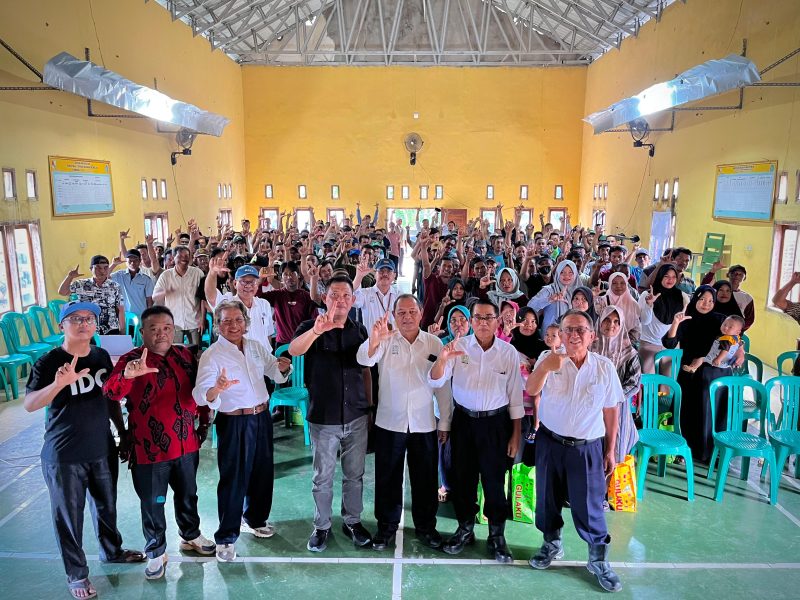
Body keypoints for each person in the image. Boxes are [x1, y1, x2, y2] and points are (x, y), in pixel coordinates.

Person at [24, 301, 144, 599]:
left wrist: (122, 432)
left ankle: (111, 551)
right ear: (61, 325)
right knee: (69, 518)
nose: (84, 323)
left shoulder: (100, 355)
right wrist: (58, 384)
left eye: (89, 318)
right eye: (75, 318)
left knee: (107, 507)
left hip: (102, 447)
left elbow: (110, 397)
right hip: (65, 455)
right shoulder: (49, 362)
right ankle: (77, 575)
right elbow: (30, 404)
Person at [103, 306, 215, 579]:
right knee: (153, 502)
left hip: (186, 443)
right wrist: (127, 376)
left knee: (188, 494)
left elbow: (199, 392)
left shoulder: (184, 355)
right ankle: (156, 549)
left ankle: (190, 534)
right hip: (149, 449)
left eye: (166, 328)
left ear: (173, 329)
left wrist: (203, 423)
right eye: (153, 329)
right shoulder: (131, 360)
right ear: (142, 332)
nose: (161, 333)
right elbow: (110, 393)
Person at [526, 309, 623, 593]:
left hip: (587, 448)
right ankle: (551, 545)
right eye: (568, 329)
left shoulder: (604, 367)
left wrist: (610, 449)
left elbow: (611, 410)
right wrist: (545, 367)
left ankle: (598, 559)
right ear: (560, 334)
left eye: (580, 329)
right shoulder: (548, 359)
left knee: (589, 505)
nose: (574, 335)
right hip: (550, 442)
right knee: (547, 499)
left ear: (592, 336)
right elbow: (531, 389)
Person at [193, 300, 292, 562]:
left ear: (246, 323)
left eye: (238, 320)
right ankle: (226, 536)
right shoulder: (212, 355)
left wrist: (283, 367)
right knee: (234, 478)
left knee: (262, 472)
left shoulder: (255, 346)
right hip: (234, 421)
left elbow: (274, 371)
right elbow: (200, 395)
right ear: (218, 325)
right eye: (226, 321)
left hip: (262, 418)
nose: (233, 325)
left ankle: (255, 519)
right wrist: (217, 389)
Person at [428, 299, 523, 564]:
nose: (483, 323)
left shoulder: (508, 353)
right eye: (478, 318)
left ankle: (497, 535)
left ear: (497, 321)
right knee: (463, 479)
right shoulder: (458, 348)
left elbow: (515, 397)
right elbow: (435, 379)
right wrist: (442, 359)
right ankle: (465, 528)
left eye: (488, 317)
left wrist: (516, 434)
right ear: (471, 322)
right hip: (464, 422)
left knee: (494, 481)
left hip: (496, 425)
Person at [356, 295, 451, 550]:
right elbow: (364, 359)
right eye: (401, 313)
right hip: (390, 422)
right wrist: (374, 339)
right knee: (387, 477)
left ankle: (426, 527)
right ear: (394, 315)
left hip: (424, 423)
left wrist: (444, 421)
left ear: (421, 313)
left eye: (412, 312)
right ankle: (386, 526)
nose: (407, 317)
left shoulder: (433, 343)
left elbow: (442, 386)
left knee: (425, 478)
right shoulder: (386, 339)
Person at [289, 275, 373, 553]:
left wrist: (369, 407)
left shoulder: (359, 330)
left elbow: (366, 371)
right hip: (324, 417)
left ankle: (352, 521)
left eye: (346, 295)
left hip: (356, 415)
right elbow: (294, 350)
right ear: (325, 298)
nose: (340, 300)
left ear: (353, 300)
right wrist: (316, 332)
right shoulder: (309, 326)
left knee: (354, 474)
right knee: (322, 477)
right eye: (334, 295)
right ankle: (322, 526)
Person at [662, 286, 741, 462]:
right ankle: (684, 450)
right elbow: (669, 343)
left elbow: (736, 336)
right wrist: (676, 323)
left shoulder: (720, 320)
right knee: (689, 412)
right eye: (702, 299)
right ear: (695, 298)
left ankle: (710, 452)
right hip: (690, 372)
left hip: (713, 374)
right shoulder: (686, 318)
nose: (706, 304)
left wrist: (741, 352)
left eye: (711, 301)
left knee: (711, 413)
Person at [592, 306, 641, 465]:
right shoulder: (589, 348)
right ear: (600, 322)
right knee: (593, 451)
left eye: (616, 321)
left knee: (614, 453)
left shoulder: (629, 353)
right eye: (606, 319)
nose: (611, 325)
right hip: (591, 406)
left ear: (621, 325)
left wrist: (613, 397)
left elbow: (634, 383)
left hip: (618, 407)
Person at [205, 257, 275, 350]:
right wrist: (212, 272)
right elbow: (211, 295)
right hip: (237, 356)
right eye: (243, 281)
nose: (248, 285)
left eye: (252, 282)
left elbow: (268, 334)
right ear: (235, 284)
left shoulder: (264, 304)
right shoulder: (228, 303)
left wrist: (268, 355)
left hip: (262, 356)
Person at [637, 264, 688, 375]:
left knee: (667, 383)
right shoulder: (647, 294)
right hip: (649, 344)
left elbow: (682, 322)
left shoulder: (682, 296)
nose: (670, 280)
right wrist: (649, 305)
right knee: (649, 382)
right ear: (660, 276)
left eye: (673, 277)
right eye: (666, 276)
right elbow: (644, 321)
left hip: (670, 346)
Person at [58, 255, 125, 335]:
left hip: (111, 328)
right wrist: (70, 277)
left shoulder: (115, 286)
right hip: (87, 328)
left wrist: (123, 332)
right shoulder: (81, 284)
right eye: (98, 268)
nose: (102, 271)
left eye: (105, 268)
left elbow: (120, 310)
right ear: (91, 269)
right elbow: (62, 292)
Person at [152, 246, 205, 346]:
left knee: (195, 351)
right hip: (174, 322)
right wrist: (166, 292)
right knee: (175, 352)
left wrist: (202, 319)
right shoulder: (166, 275)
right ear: (173, 258)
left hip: (194, 321)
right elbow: (154, 297)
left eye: (186, 256)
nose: (184, 259)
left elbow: (203, 298)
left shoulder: (197, 273)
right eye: (180, 256)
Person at [259, 261, 317, 345]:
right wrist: (260, 280)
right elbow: (257, 297)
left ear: (298, 275)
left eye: (293, 273)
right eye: (285, 274)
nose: (289, 277)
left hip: (303, 343)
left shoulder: (307, 296)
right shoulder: (276, 295)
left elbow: (314, 320)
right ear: (281, 278)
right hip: (282, 343)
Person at [528, 260, 581, 330]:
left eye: (570, 272)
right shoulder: (549, 290)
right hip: (550, 333)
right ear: (557, 273)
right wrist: (549, 299)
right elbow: (530, 306)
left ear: (575, 274)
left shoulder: (580, 292)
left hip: (572, 333)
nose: (566, 276)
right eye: (562, 272)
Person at [353, 257, 401, 332]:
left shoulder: (399, 295)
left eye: (389, 271)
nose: (385, 274)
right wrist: (358, 276)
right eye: (381, 271)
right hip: (372, 338)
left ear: (394, 275)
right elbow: (353, 300)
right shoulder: (365, 293)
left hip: (395, 338)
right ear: (375, 274)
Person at [702, 263, 755, 331]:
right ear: (728, 274)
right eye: (734, 273)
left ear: (744, 278)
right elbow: (704, 287)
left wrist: (736, 330)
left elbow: (749, 319)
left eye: (740, 274)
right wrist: (713, 270)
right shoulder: (717, 289)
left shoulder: (747, 298)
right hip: (711, 327)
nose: (737, 276)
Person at [596, 272, 644, 344]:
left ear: (626, 284)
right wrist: (594, 298)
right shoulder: (602, 301)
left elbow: (637, 329)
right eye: (614, 283)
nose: (618, 286)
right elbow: (596, 322)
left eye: (622, 283)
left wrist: (623, 343)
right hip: (604, 342)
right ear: (610, 284)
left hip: (625, 344)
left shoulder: (633, 304)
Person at [109, 249, 154, 327]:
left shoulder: (146, 279)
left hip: (140, 318)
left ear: (140, 261)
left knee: (139, 335)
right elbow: (104, 277)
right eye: (130, 260)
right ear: (126, 261)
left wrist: (148, 317)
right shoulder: (119, 275)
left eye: (135, 260)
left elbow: (149, 301)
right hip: (124, 318)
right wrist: (113, 264)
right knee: (124, 335)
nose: (132, 263)